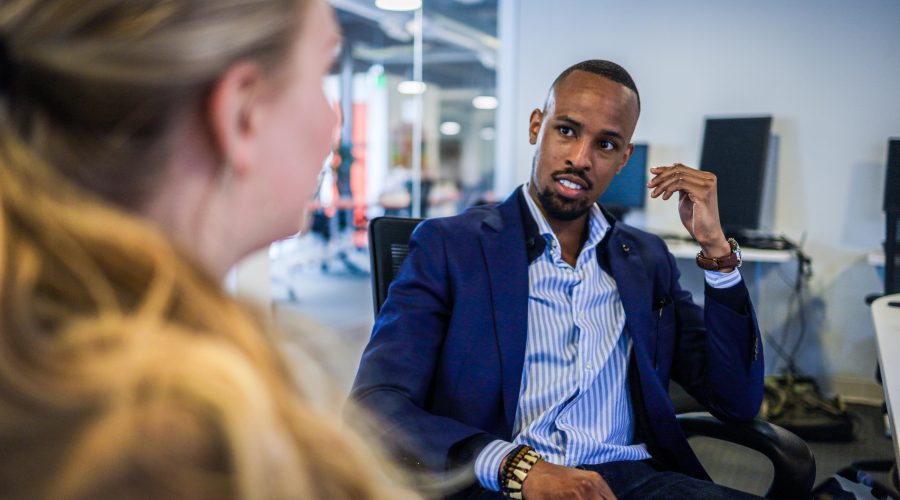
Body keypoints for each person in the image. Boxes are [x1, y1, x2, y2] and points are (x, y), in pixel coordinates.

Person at [0, 1, 416, 498]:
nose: (334, 122)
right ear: (243, 112)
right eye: (322, 72)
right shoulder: (176, 447)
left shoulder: (42, 340)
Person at [352, 59, 764, 499]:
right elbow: (376, 404)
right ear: (536, 126)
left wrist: (718, 251)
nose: (580, 158)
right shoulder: (451, 247)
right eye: (566, 130)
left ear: (624, 158)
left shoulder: (645, 259)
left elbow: (735, 400)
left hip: (633, 482)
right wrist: (518, 467)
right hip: (508, 483)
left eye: (605, 145)